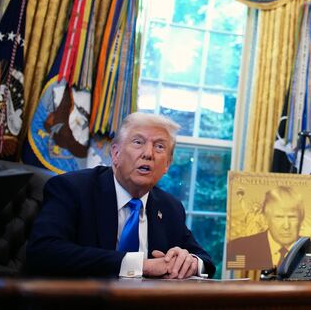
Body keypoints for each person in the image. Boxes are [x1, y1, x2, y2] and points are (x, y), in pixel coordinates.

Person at [26, 113, 215, 278]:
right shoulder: (73, 189)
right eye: (138, 142)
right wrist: (141, 265)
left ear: (167, 165)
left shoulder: (170, 207)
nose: (148, 154)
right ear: (115, 153)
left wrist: (189, 262)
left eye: (159, 147)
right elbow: (44, 252)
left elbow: (205, 260)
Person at [225, 186, 304, 270]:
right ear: (266, 218)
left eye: (292, 217)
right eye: (279, 217)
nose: (286, 226)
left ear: (301, 219)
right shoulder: (239, 247)